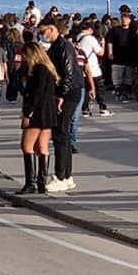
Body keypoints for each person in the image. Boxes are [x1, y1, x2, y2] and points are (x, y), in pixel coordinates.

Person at [38, 18, 84, 193]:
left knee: (60, 133)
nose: (43, 35)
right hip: (70, 90)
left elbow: (68, 73)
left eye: (44, 32)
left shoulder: (62, 46)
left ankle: (61, 175)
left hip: (68, 92)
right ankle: (67, 175)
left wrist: (61, 95)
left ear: (52, 29)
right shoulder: (59, 46)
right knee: (63, 133)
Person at [18, 42, 59, 194]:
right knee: (42, 147)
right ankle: (41, 181)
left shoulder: (37, 69)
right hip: (48, 112)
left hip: (37, 112)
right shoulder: (48, 69)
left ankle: (31, 182)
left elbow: (37, 93)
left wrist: (28, 113)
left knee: (26, 146)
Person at [76, 21, 112, 117]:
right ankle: (103, 108)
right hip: (93, 68)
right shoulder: (90, 39)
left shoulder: (78, 37)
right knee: (99, 89)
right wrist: (103, 44)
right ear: (90, 29)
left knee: (86, 90)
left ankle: (85, 109)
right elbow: (100, 52)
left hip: (81, 68)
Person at [106, 11, 138, 102]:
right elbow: (109, 41)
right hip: (117, 58)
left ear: (129, 20)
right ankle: (119, 93)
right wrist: (110, 53)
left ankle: (124, 94)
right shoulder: (115, 30)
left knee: (128, 78)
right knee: (117, 78)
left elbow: (135, 45)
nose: (124, 20)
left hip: (129, 58)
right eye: (123, 18)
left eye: (126, 19)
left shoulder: (132, 32)